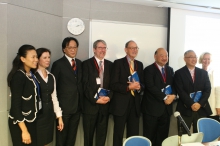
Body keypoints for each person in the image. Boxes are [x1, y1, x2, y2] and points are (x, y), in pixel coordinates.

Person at [110, 40, 144, 146]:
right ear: (126, 50)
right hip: (121, 105)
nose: (134, 50)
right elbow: (113, 84)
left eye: (136, 48)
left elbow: (143, 84)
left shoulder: (139, 64)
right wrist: (128, 87)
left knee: (133, 135)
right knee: (118, 134)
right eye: (132, 48)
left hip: (135, 105)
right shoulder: (118, 63)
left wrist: (139, 88)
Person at [51, 37, 83, 146]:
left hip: (77, 107)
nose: (73, 50)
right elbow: (53, 88)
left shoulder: (79, 63)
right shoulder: (58, 64)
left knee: (72, 138)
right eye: (70, 47)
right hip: (63, 109)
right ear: (64, 49)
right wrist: (57, 110)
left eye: (75, 47)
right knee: (61, 138)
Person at [141, 48, 176, 146]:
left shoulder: (170, 69)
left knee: (163, 137)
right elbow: (150, 87)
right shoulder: (148, 70)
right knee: (149, 137)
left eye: (166, 56)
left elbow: (174, 85)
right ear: (155, 56)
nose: (164, 58)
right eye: (161, 55)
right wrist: (165, 98)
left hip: (166, 109)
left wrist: (173, 96)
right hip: (151, 109)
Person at [82, 40, 112, 146]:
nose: (102, 50)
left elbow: (113, 85)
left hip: (105, 107)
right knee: (88, 138)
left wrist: (109, 97)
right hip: (90, 107)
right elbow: (84, 86)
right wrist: (95, 99)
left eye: (104, 48)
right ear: (94, 49)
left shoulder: (110, 65)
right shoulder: (85, 64)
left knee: (101, 137)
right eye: (100, 48)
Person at [7, 44, 39, 146]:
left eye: (36, 56)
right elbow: (15, 107)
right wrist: (24, 131)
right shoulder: (18, 76)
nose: (36, 60)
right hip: (21, 123)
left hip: (31, 120)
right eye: (33, 57)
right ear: (23, 59)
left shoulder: (31, 75)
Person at [174, 50, 211, 133]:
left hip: (201, 109)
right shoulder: (179, 73)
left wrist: (199, 103)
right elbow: (180, 91)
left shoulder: (203, 73)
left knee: (200, 136)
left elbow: (207, 90)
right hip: (185, 108)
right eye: (191, 57)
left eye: (195, 57)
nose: (194, 59)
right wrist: (191, 103)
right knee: (184, 136)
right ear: (185, 59)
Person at [35, 48, 64, 146]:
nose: (48, 60)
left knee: (46, 142)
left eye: (49, 57)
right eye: (45, 57)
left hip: (49, 115)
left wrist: (59, 116)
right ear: (38, 59)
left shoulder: (51, 76)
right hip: (37, 116)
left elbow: (54, 97)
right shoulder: (33, 75)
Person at [199, 52, 220, 121]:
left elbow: (218, 90)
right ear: (201, 60)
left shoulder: (215, 72)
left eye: (209, 59)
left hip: (212, 105)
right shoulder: (198, 72)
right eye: (204, 59)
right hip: (200, 105)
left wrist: (218, 106)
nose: (207, 61)